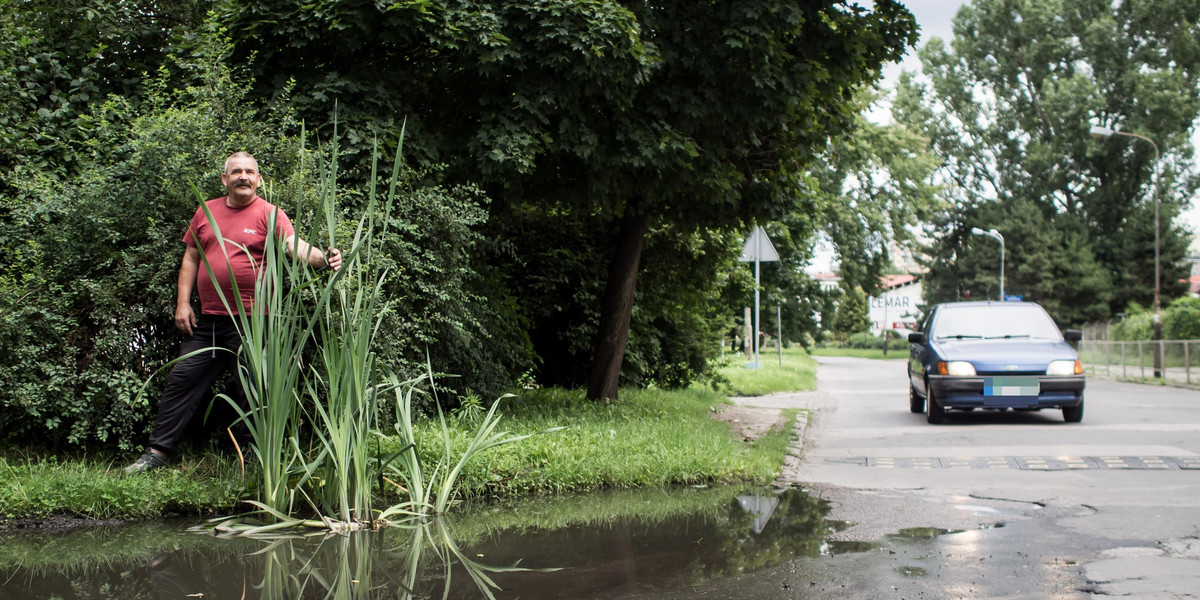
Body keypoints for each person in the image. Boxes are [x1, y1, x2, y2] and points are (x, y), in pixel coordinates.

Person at [124, 152, 342, 474]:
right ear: (224, 179)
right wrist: (182, 303)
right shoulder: (205, 211)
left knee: (252, 392)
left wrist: (324, 257)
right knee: (181, 381)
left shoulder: (270, 214)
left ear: (258, 180)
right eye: (236, 172)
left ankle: (253, 464)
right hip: (209, 321)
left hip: (254, 323)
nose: (243, 176)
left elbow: (295, 246)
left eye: (250, 172)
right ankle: (157, 453)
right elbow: (191, 259)